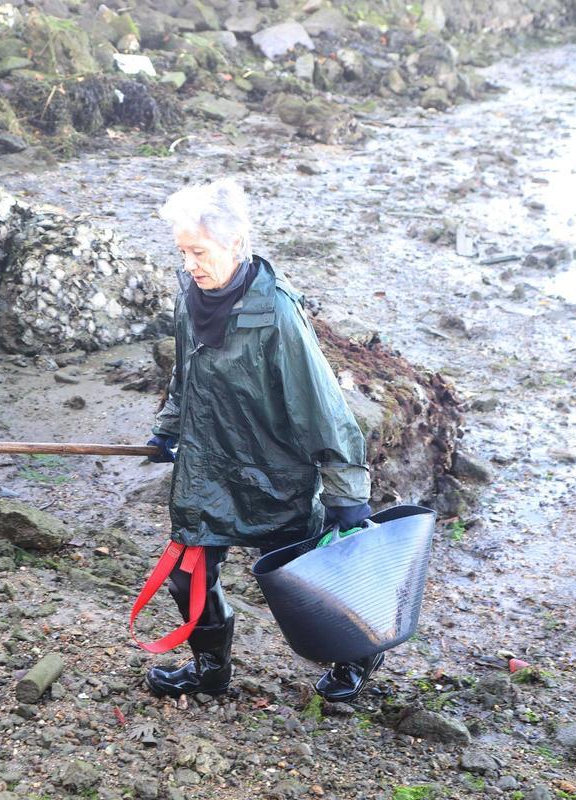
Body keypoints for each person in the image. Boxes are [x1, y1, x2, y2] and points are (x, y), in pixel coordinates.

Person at [144, 178, 380, 702]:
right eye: (183, 253)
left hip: (274, 476)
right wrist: (167, 427)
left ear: (235, 244)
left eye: (199, 252)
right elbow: (186, 377)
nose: (190, 265)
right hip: (207, 471)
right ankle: (210, 670)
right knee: (190, 580)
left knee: (305, 579)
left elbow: (326, 410)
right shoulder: (191, 299)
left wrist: (347, 494)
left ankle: (358, 653)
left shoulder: (276, 315)